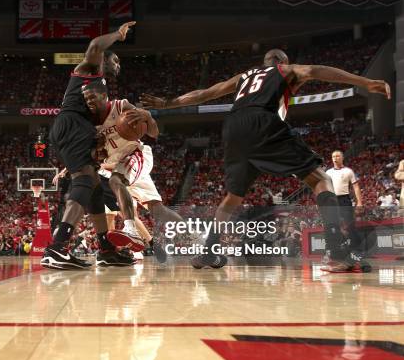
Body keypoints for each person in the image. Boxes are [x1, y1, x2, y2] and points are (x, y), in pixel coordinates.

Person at [141, 49, 390, 273]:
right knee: (321, 179)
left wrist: (167, 104)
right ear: (282, 61)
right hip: (262, 121)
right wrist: (364, 81)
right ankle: (338, 252)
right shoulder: (284, 69)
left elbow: (205, 93)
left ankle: (208, 250)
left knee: (232, 198)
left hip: (233, 128)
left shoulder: (243, 77)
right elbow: (314, 70)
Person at [42, 21, 138, 270]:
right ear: (104, 59)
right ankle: (57, 247)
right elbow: (95, 44)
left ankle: (106, 249)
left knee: (95, 187)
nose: (118, 66)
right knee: (84, 179)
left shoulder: (100, 85)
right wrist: (118, 34)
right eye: (115, 61)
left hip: (78, 128)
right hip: (71, 123)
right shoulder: (89, 69)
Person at [83, 83, 186, 263]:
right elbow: (90, 153)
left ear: (104, 95)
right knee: (157, 209)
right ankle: (196, 241)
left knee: (116, 182)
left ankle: (130, 229)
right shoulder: (89, 123)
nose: (89, 101)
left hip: (134, 154)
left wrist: (147, 116)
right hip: (111, 167)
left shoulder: (121, 106)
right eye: (86, 98)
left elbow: (154, 133)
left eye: (92, 97)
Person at [326, 150, 364, 259]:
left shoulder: (349, 171)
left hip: (344, 200)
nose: (335, 158)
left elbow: (356, 187)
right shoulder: (328, 172)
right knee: (333, 226)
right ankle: (334, 252)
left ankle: (356, 251)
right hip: (332, 200)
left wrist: (360, 202)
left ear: (342, 158)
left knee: (350, 225)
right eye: (333, 156)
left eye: (337, 156)